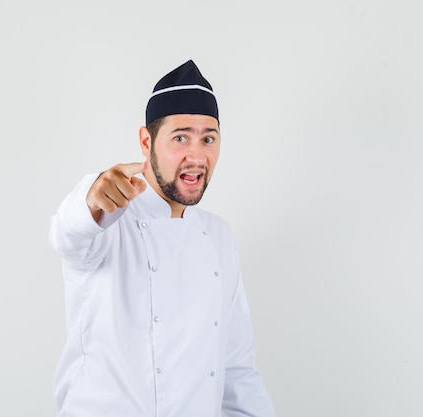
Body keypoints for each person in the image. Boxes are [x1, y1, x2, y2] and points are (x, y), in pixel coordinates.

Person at [49, 60, 276, 417]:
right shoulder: (107, 221)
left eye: (208, 139)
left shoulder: (218, 236)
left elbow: (237, 368)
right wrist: (92, 196)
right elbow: (67, 236)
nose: (197, 155)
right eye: (180, 137)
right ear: (146, 141)